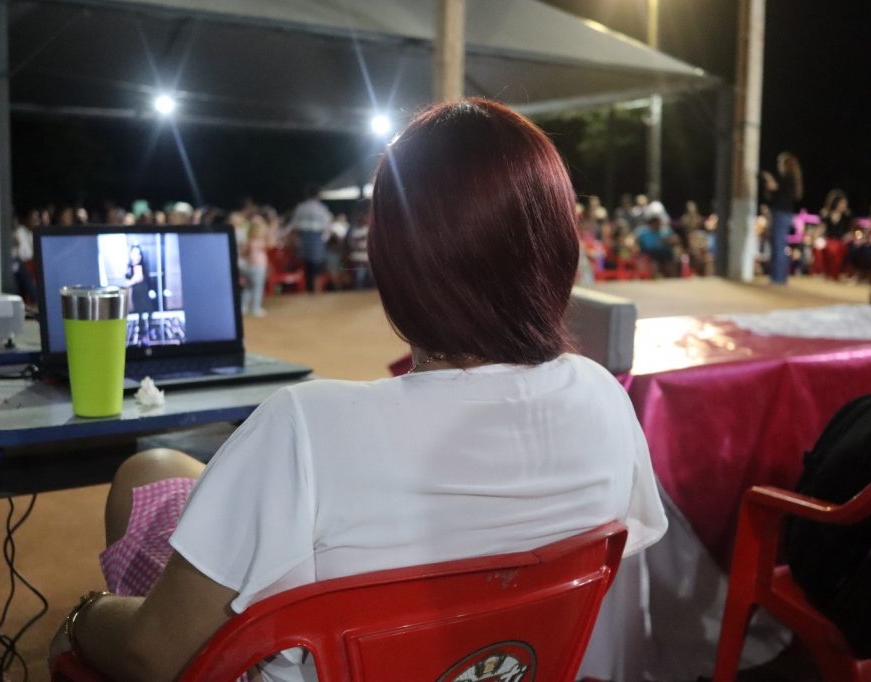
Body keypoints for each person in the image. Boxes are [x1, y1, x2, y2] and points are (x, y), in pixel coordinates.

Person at [50, 98, 667, 682]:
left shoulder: (308, 427)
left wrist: (79, 617)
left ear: (394, 261)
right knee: (161, 466)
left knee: (142, 480)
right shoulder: (605, 400)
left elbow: (149, 656)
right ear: (556, 250)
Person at [761, 152, 803, 284]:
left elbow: (779, 196)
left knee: (778, 245)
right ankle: (779, 277)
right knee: (779, 245)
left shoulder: (787, 179)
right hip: (784, 214)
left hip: (781, 214)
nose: (778, 166)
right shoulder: (791, 179)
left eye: (780, 163)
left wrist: (772, 185)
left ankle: (778, 278)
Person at [286, 185, 333, 292]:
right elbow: (327, 227)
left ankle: (309, 292)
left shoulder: (301, 207)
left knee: (307, 268)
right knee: (317, 268)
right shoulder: (321, 208)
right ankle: (316, 293)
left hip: (304, 239)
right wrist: (323, 240)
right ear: (317, 195)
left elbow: (293, 225)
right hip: (317, 238)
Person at [819, 189, 852, 280]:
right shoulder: (826, 215)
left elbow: (850, 232)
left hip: (841, 242)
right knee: (826, 247)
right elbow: (822, 229)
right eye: (842, 203)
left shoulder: (847, 216)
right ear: (836, 203)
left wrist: (848, 237)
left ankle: (836, 274)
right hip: (829, 240)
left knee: (837, 249)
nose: (844, 205)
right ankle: (827, 273)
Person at [125, 244, 155, 344]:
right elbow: (128, 281)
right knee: (140, 314)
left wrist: (151, 290)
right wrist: (132, 280)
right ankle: (143, 334)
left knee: (150, 311)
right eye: (134, 253)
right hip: (137, 293)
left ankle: (150, 329)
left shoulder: (143, 266)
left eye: (138, 254)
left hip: (144, 291)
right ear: (131, 254)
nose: (137, 256)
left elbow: (146, 279)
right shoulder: (129, 266)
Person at [240, 216, 269, 316]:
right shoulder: (259, 242)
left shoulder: (249, 241)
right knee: (257, 288)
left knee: (248, 288)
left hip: (251, 267)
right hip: (257, 268)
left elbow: (243, 254)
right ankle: (255, 308)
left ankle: (243, 307)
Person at [346, 199, 372, 290]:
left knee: (371, 286)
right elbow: (351, 244)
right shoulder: (354, 228)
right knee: (359, 284)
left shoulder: (371, 227)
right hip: (359, 261)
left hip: (369, 261)